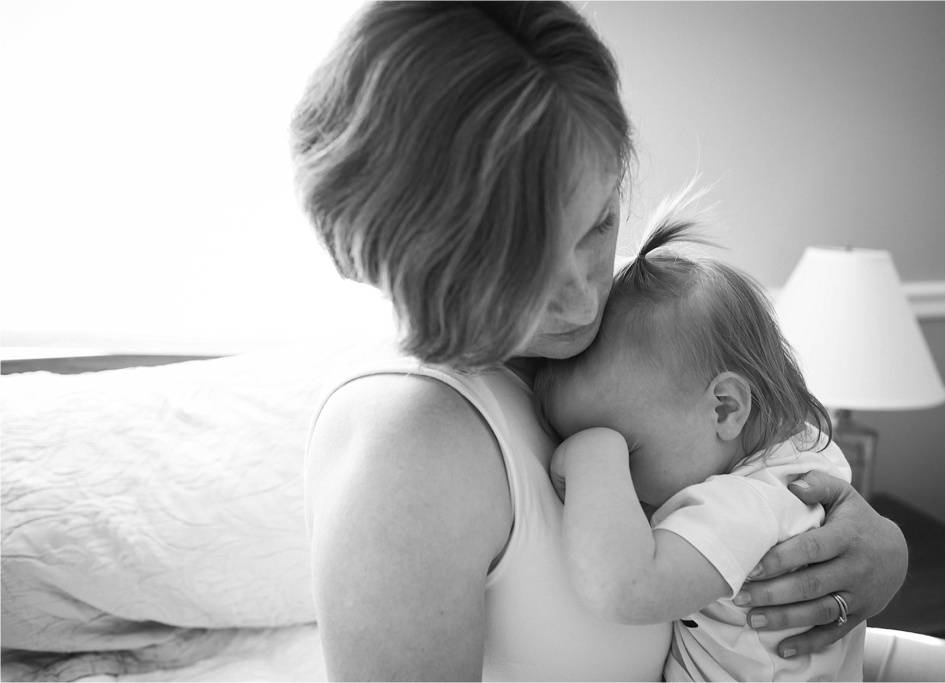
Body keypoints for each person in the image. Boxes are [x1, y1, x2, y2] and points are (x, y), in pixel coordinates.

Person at [290, 2, 907, 679]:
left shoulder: (643, 320)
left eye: (599, 223)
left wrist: (878, 552)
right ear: (417, 254)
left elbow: (772, 458)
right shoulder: (407, 439)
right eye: (521, 263)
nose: (585, 296)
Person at [535, 193, 866, 681]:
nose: (617, 482)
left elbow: (624, 590)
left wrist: (590, 457)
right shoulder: (792, 454)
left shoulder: (748, 505)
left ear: (725, 407)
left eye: (625, 450)